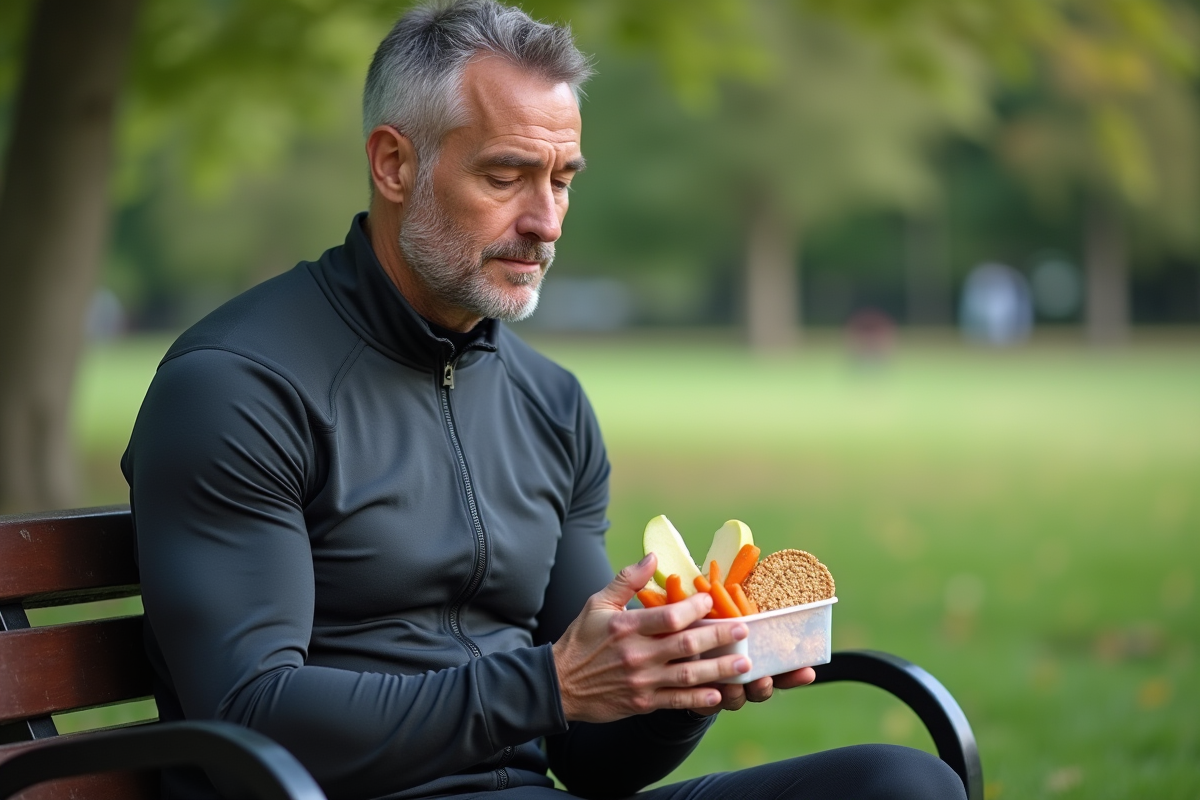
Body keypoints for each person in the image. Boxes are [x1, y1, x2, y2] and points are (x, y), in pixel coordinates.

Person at [122, 2, 967, 798]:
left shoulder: (549, 404)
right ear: (394, 164)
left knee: (900, 784)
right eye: (507, 176)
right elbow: (248, 719)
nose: (547, 220)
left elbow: (591, 760)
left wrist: (682, 682)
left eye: (562, 179)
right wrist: (550, 682)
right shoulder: (237, 388)